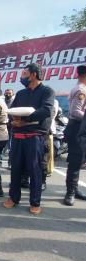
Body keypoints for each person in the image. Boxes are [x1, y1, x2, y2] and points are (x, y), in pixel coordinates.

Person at [4, 63, 54, 215]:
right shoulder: (21, 94)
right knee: (16, 169)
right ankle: (13, 197)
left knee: (35, 170)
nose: (22, 76)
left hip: (35, 137)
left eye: (24, 73)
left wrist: (25, 120)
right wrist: (13, 119)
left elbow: (46, 111)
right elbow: (11, 110)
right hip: (18, 137)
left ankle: (35, 202)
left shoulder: (47, 91)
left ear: (33, 74)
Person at [63, 65, 86, 206]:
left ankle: (74, 189)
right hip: (76, 128)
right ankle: (70, 193)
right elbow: (75, 111)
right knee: (74, 161)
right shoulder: (80, 90)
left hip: (80, 127)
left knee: (78, 162)